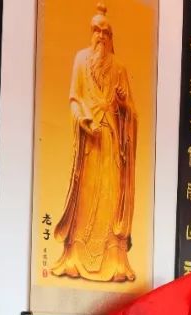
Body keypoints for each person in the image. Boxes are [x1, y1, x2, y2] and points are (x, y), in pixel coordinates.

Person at [51, 4, 138, 283]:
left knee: (110, 198)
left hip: (111, 142)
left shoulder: (120, 68)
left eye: (105, 32)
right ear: (91, 33)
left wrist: (123, 103)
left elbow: (131, 112)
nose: (101, 36)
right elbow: (74, 98)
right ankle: (75, 257)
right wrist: (82, 120)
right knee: (86, 198)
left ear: (111, 37)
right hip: (90, 142)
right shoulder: (80, 60)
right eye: (96, 31)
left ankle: (113, 261)